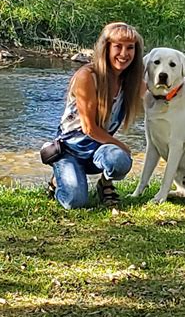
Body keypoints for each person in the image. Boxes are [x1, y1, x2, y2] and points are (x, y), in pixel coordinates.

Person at [48, 22, 145, 209]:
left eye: (130, 48)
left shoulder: (132, 80)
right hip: (69, 150)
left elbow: (160, 92)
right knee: (75, 202)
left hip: (97, 152)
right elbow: (89, 128)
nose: (124, 54)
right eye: (118, 46)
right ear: (106, 48)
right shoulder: (87, 76)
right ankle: (56, 181)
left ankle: (105, 184)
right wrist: (122, 146)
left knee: (119, 160)